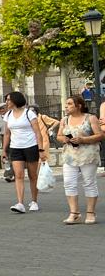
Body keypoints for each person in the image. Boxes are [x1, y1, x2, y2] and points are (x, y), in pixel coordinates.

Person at [59, 94, 103, 224]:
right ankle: (74, 213)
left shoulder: (90, 118)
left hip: (88, 156)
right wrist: (65, 139)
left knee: (89, 183)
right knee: (68, 183)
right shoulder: (64, 120)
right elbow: (59, 136)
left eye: (70, 104)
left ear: (79, 106)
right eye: (66, 104)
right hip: (69, 156)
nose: (66, 106)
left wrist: (83, 139)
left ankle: (90, 213)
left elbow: (100, 135)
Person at [1, 91, 47, 213]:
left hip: (31, 146)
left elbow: (38, 132)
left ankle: (34, 201)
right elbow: (7, 133)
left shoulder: (29, 113)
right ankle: (20, 203)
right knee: (18, 175)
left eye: (9, 100)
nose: (7, 102)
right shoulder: (8, 115)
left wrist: (41, 149)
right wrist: (4, 150)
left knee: (32, 175)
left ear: (15, 100)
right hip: (15, 147)